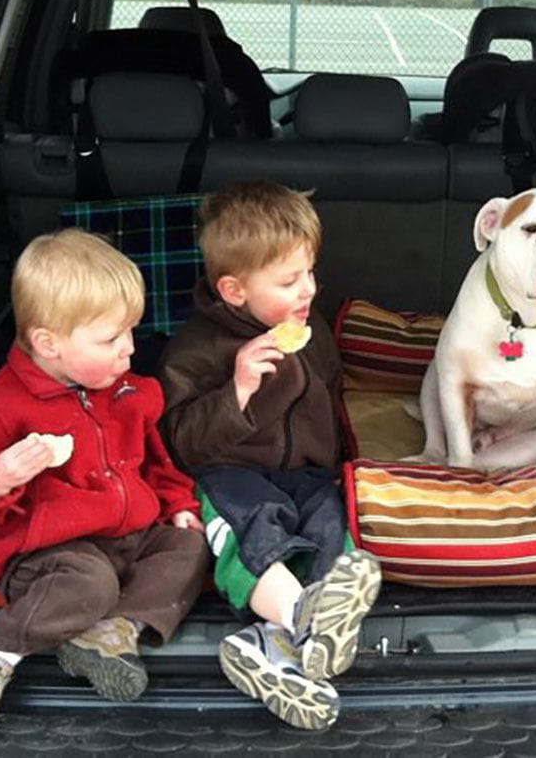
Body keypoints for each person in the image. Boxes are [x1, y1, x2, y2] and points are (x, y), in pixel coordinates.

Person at [0, 229, 210, 739]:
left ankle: (113, 632)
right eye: (110, 339)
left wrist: (179, 505)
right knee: (89, 584)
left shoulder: (127, 392)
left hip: (129, 535)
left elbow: (155, 465)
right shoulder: (0, 406)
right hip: (47, 550)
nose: (129, 349)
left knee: (190, 546)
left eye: (131, 332)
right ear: (47, 343)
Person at [158, 182, 380, 732]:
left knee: (334, 525)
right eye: (288, 281)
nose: (308, 289)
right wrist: (234, 393)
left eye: (309, 273)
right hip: (228, 474)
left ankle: (276, 645)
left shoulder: (312, 330)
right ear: (234, 290)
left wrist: (344, 462)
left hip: (304, 474)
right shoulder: (196, 348)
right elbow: (178, 441)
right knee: (252, 525)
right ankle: (304, 623)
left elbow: (331, 397)